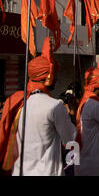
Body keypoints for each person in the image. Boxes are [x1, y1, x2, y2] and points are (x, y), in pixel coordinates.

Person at [0, 37, 77, 176]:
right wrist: (71, 115)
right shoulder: (54, 106)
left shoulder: (18, 103)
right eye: (55, 75)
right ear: (48, 77)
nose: (57, 78)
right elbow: (71, 140)